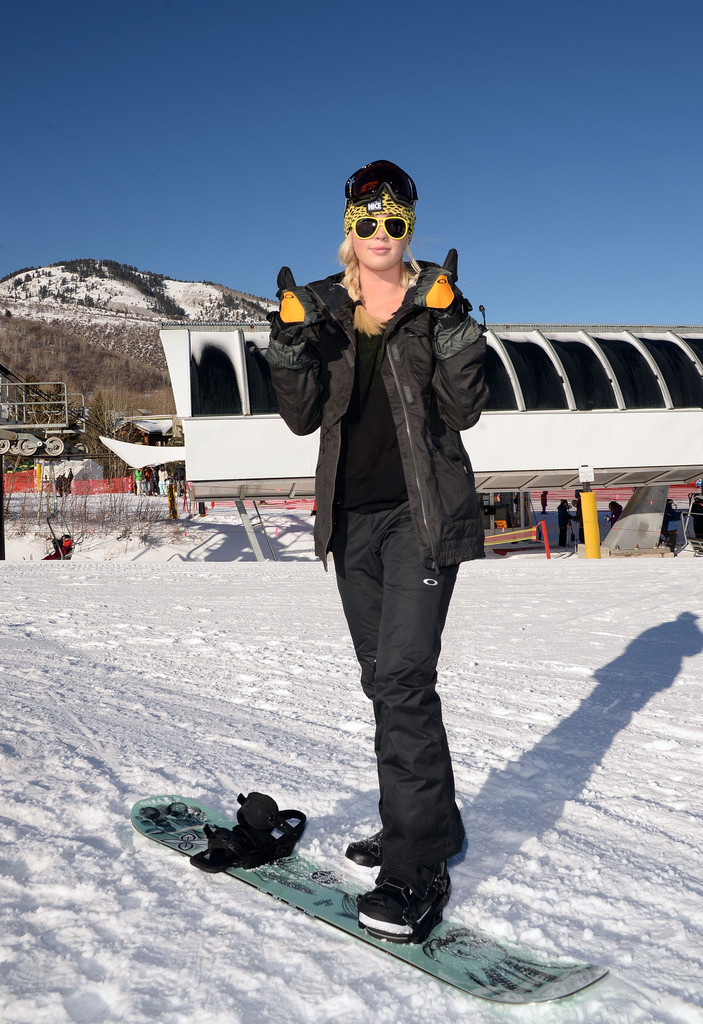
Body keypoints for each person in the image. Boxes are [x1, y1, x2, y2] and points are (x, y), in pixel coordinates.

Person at [266, 159, 488, 944]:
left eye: (395, 222)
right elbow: (300, 417)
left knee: (401, 681)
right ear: (349, 228)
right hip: (350, 523)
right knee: (383, 681)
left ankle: (416, 865)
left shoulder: (438, 301)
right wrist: (288, 343)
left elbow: (463, 408)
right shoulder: (322, 307)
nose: (380, 233)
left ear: (409, 230)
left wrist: (454, 327)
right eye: (367, 222)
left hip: (420, 519)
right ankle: (428, 824)